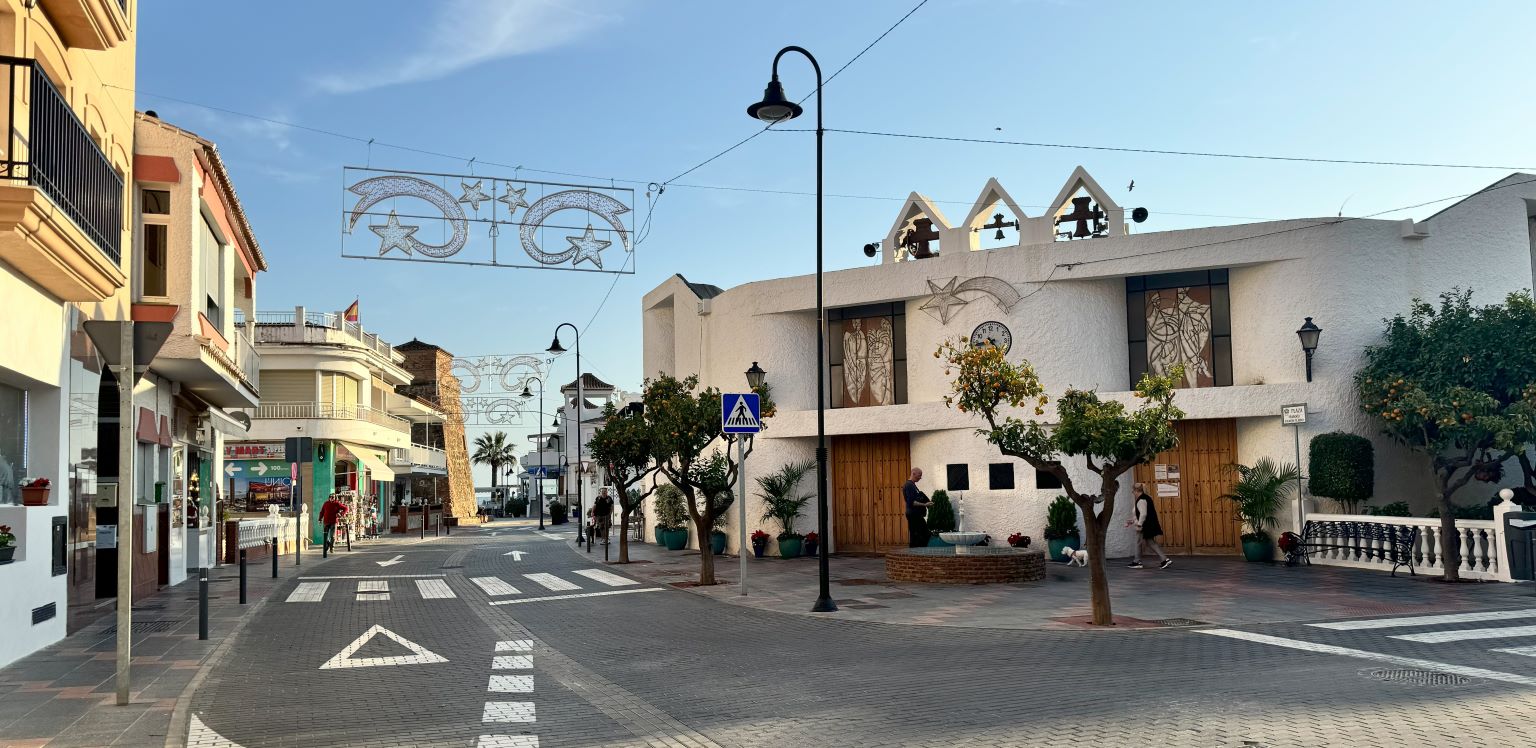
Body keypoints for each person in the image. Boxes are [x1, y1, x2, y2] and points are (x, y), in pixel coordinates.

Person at [1127, 482, 1171, 569]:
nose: (1132, 493)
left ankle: (1137, 561)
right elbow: (1140, 514)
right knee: (1150, 542)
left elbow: (1143, 514)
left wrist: (1139, 524)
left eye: (1133, 491)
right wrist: (1132, 521)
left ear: (1136, 491)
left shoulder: (1141, 500)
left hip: (1144, 526)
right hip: (1148, 524)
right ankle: (1164, 559)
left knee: (1138, 543)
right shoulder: (1146, 498)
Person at [903, 468, 933, 548]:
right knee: (919, 535)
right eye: (919, 475)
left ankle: (918, 554)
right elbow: (911, 502)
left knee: (922, 534)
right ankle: (916, 554)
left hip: (916, 514)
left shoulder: (912, 485)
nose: (920, 478)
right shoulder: (909, 485)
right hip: (913, 514)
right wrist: (925, 505)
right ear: (913, 473)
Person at [320, 494, 348, 558]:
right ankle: (328, 544)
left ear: (335, 498)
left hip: (333, 522)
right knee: (325, 536)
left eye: (333, 497)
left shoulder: (337, 504)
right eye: (330, 497)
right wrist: (320, 519)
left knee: (332, 536)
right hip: (326, 522)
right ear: (328, 498)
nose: (331, 498)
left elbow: (346, 508)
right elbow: (322, 512)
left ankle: (332, 547)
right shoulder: (326, 503)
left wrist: (341, 514)